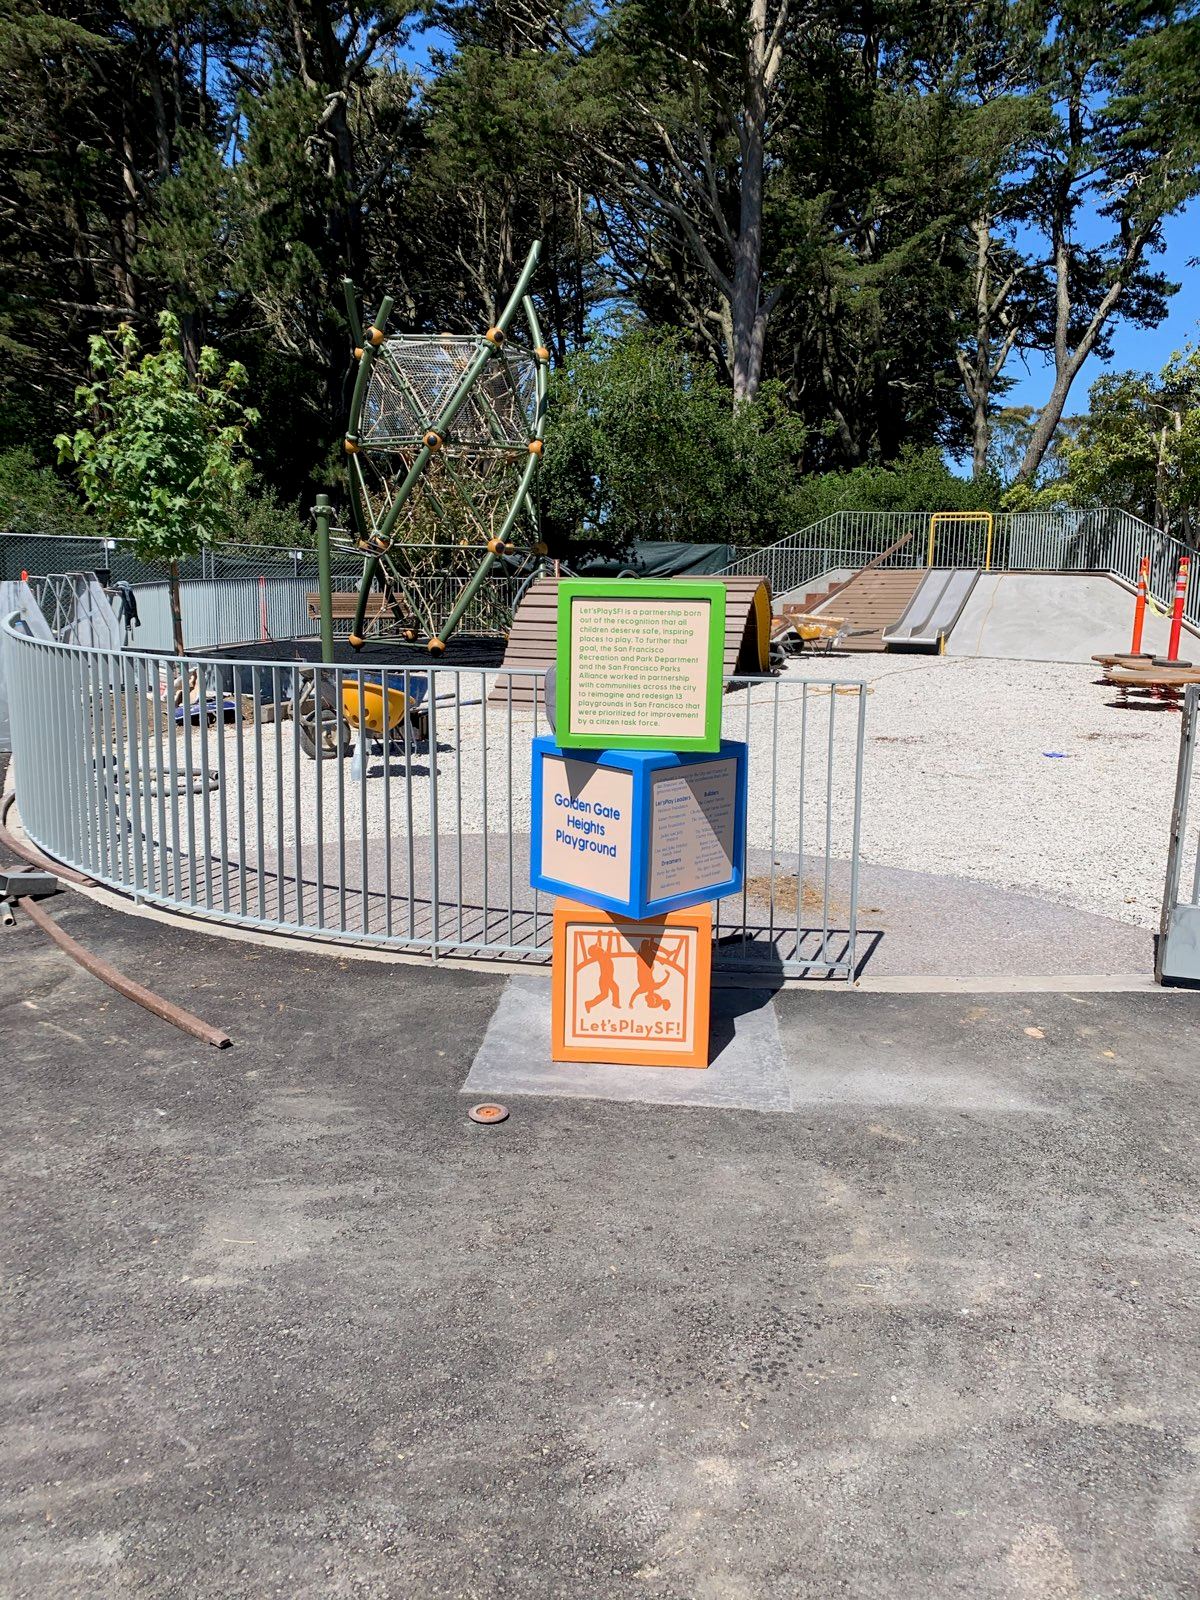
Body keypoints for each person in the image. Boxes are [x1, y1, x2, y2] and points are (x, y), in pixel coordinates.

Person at [630, 937, 671, 1010]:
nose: (646, 1000)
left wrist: (631, 1003)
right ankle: (664, 955)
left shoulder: (648, 988)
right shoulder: (648, 988)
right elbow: (663, 983)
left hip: (645, 964)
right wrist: (668, 975)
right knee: (645, 944)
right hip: (645, 964)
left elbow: (634, 995)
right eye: (648, 1001)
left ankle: (664, 955)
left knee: (646, 945)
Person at [583, 936, 620, 1012]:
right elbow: (608, 945)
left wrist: (599, 935)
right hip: (605, 979)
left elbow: (599, 944)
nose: (601, 948)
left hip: (607, 978)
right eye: (599, 948)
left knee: (607, 994)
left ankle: (590, 1004)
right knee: (608, 993)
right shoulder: (602, 956)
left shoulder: (602, 954)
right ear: (597, 951)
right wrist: (610, 936)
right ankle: (589, 1004)